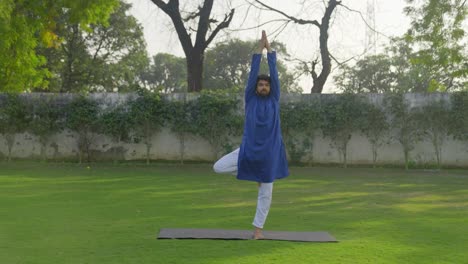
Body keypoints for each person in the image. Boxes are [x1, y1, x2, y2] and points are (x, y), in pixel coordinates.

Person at [213, 30, 289, 240]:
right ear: (255, 88)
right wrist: (259, 49)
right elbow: (252, 71)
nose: (264, 86)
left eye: (266, 85)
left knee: (266, 193)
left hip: (270, 154)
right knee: (218, 167)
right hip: (248, 151)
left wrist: (270, 49)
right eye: (261, 85)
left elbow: (274, 73)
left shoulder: (274, 99)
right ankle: (252, 173)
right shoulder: (250, 99)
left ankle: (258, 231)